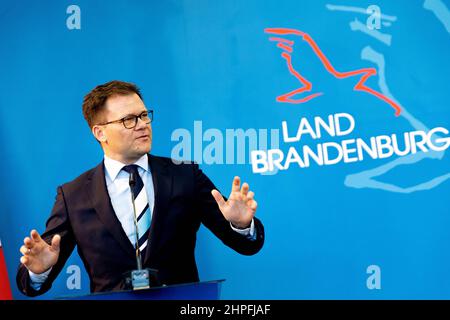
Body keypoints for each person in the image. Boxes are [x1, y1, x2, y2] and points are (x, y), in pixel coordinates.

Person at [16, 80, 265, 296]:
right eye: (128, 120)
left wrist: (241, 225)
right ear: (100, 132)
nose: (142, 124)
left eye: (144, 115)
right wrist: (39, 270)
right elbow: (30, 284)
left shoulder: (184, 175)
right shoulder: (73, 196)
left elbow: (246, 245)